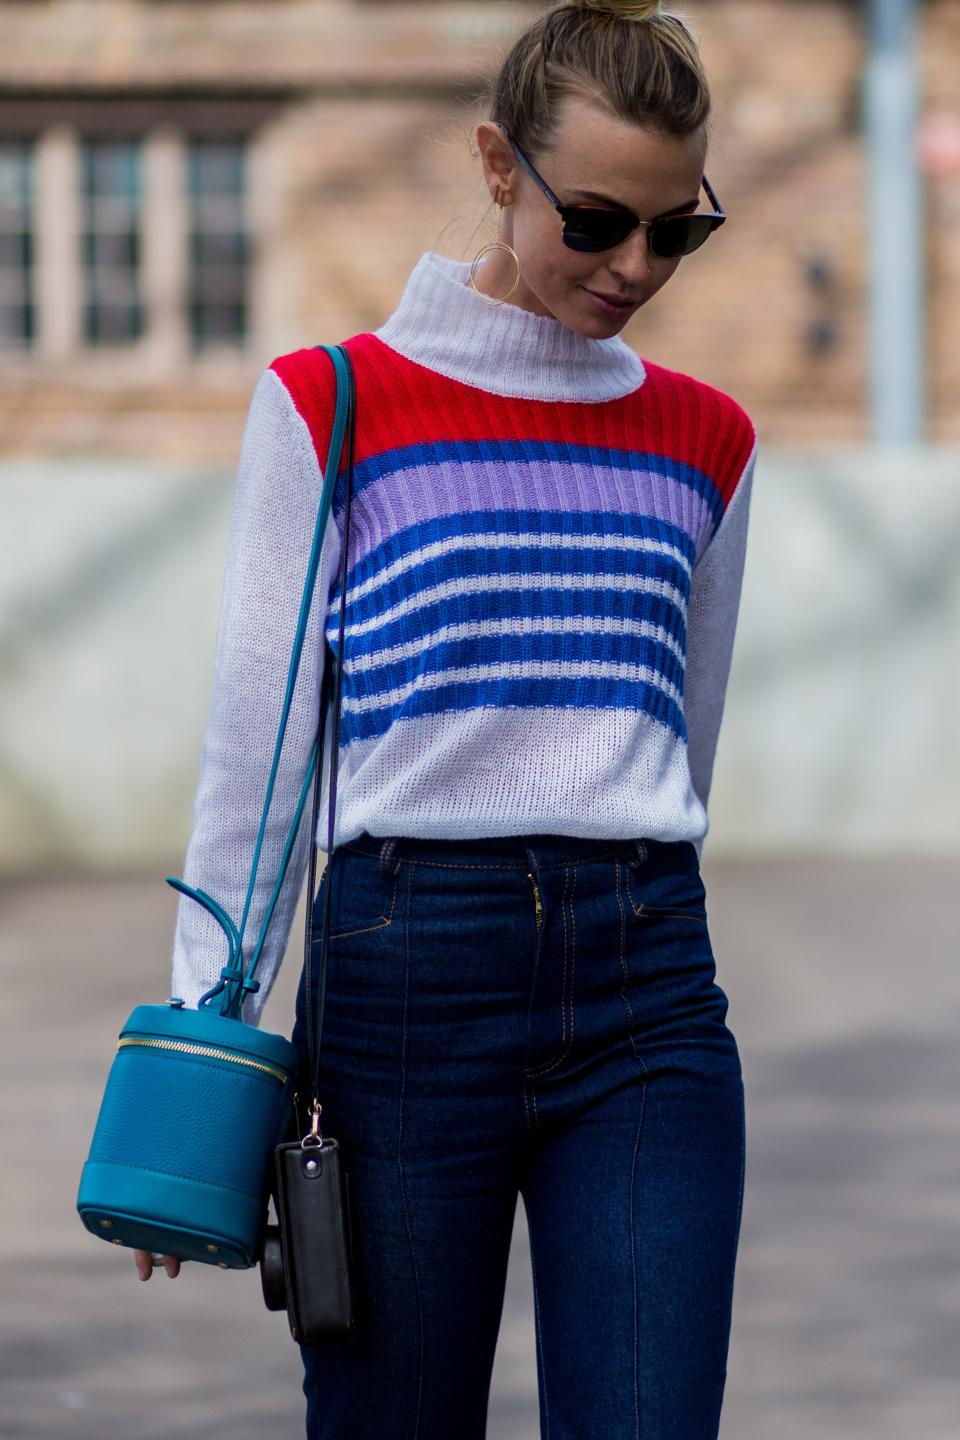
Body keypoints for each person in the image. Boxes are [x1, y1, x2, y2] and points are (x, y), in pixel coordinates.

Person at [137, 0, 758, 1435]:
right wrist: (203, 1047)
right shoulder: (332, 405)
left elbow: (682, 745)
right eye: (597, 218)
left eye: (679, 231)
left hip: (650, 983)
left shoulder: (709, 438)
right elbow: (261, 755)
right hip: (406, 982)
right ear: (496, 164)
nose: (636, 266)